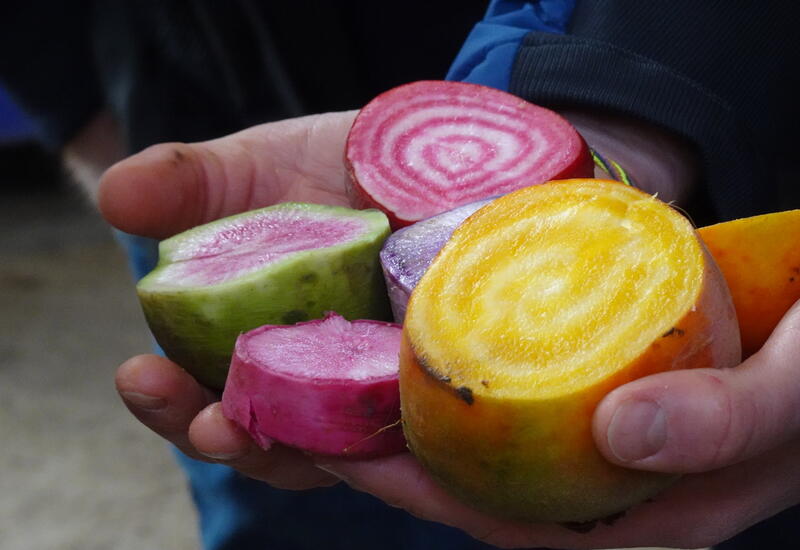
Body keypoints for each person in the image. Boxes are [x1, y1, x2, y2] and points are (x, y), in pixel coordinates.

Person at [98, 1, 800, 549]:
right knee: (277, 513)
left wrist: (633, 94)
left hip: (718, 139)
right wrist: (67, 95)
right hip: (196, 86)